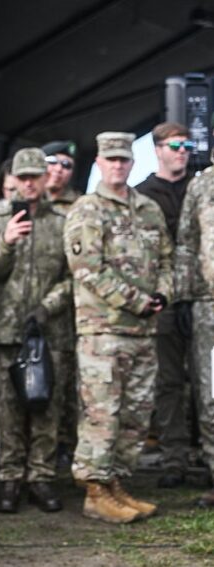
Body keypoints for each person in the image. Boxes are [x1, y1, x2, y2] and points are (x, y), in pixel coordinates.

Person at [64, 132, 173, 523]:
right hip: (103, 332)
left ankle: (116, 484)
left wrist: (163, 293)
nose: (118, 165)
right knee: (102, 413)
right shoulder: (86, 210)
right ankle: (94, 490)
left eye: (124, 160)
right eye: (111, 159)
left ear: (132, 163)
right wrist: (139, 301)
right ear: (98, 162)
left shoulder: (147, 209)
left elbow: (166, 259)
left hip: (143, 332)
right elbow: (87, 270)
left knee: (135, 414)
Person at [0, 148, 72, 514]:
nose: (30, 183)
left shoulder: (62, 221)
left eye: (36, 176)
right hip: (5, 330)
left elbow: (72, 276)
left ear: (46, 179)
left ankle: (42, 478)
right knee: (9, 410)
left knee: (48, 408)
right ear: (13, 178)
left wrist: (47, 308)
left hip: (50, 331)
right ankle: (10, 479)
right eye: (24, 176)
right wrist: (6, 242)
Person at [134, 122, 195, 489]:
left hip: (204, 296)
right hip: (165, 301)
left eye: (187, 144)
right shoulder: (143, 195)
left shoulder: (201, 187)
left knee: (208, 383)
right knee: (170, 382)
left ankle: (205, 452)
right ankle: (175, 458)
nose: (182, 150)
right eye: (175, 145)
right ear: (158, 149)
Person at [173, 152, 214, 507]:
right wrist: (184, 296)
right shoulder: (201, 186)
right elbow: (186, 243)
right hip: (209, 305)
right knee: (210, 394)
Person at [40, 140, 81, 467]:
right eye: (52, 161)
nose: (58, 170)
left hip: (66, 317)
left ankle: (62, 453)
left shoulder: (79, 206)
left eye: (66, 165)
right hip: (17, 316)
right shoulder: (20, 203)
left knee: (64, 391)